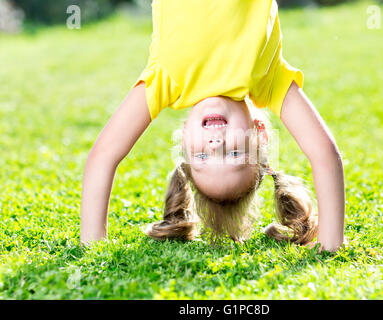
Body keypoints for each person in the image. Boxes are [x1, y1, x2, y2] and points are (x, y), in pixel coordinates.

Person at [80, 0, 346, 252]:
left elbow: (103, 156)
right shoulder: (267, 79)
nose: (216, 145)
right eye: (234, 154)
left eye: (202, 157)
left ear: (184, 138)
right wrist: (331, 241)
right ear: (259, 134)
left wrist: (93, 245)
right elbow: (324, 154)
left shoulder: (167, 81)